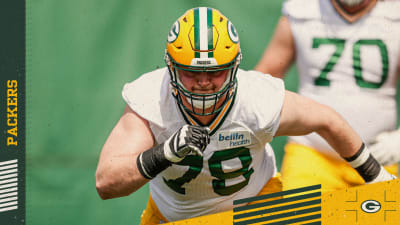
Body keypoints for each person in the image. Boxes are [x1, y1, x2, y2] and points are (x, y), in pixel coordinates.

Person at [95, 7, 395, 224]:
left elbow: (327, 120)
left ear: (234, 67)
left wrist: (376, 176)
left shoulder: (257, 99)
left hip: (255, 210)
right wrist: (164, 153)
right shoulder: (151, 98)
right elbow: (106, 183)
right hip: (174, 216)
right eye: (191, 72)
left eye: (215, 71)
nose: (203, 82)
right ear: (170, 68)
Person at [255, 0, 400, 192]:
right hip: (312, 155)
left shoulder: (394, 13)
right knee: (299, 220)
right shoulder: (302, 9)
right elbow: (266, 76)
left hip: (376, 159)